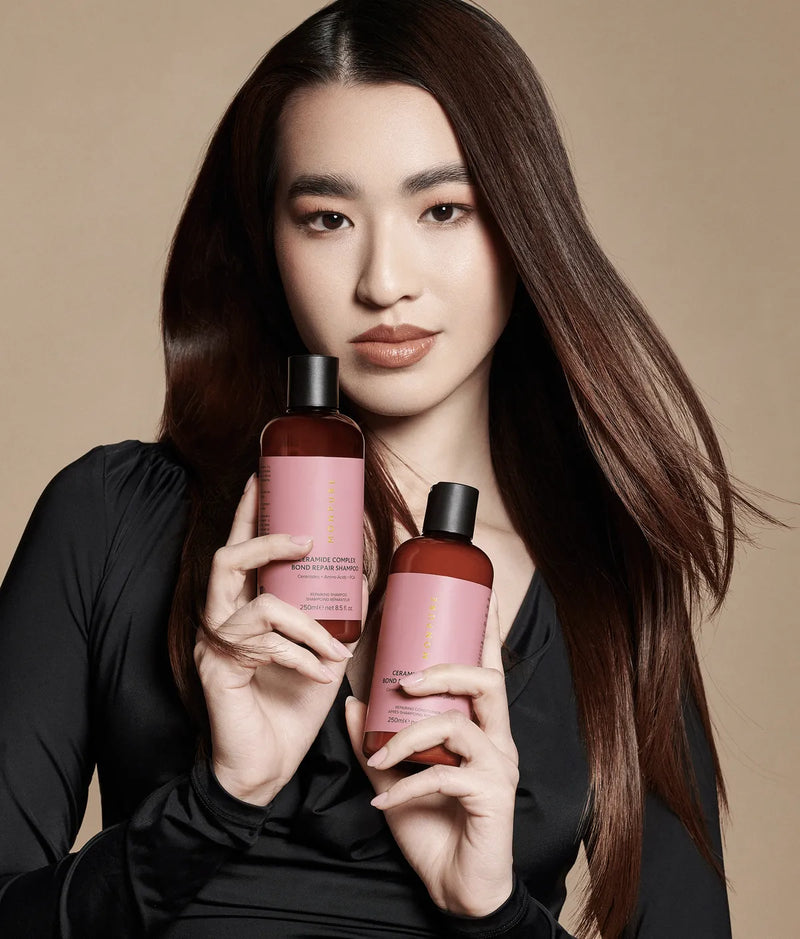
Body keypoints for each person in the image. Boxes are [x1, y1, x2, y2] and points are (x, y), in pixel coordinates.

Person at [0, 1, 773, 936]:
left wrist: (492, 909)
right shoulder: (113, 519)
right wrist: (214, 805)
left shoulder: (609, 596)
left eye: (443, 209)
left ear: (523, 224)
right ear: (267, 243)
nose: (384, 279)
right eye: (327, 218)